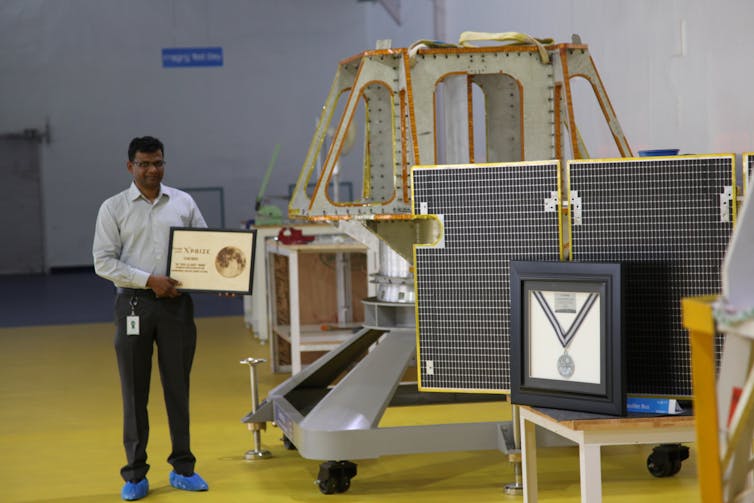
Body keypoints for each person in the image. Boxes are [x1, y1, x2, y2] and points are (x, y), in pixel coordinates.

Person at [93, 136, 209, 501]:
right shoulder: (113, 208)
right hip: (134, 306)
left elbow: (204, 249)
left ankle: (184, 467)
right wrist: (148, 281)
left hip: (177, 305)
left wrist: (221, 280)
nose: (151, 170)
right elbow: (104, 262)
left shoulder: (183, 202)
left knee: (178, 387)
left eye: (157, 162)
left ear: (164, 163)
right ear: (130, 167)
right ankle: (135, 474)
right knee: (134, 390)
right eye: (143, 164)